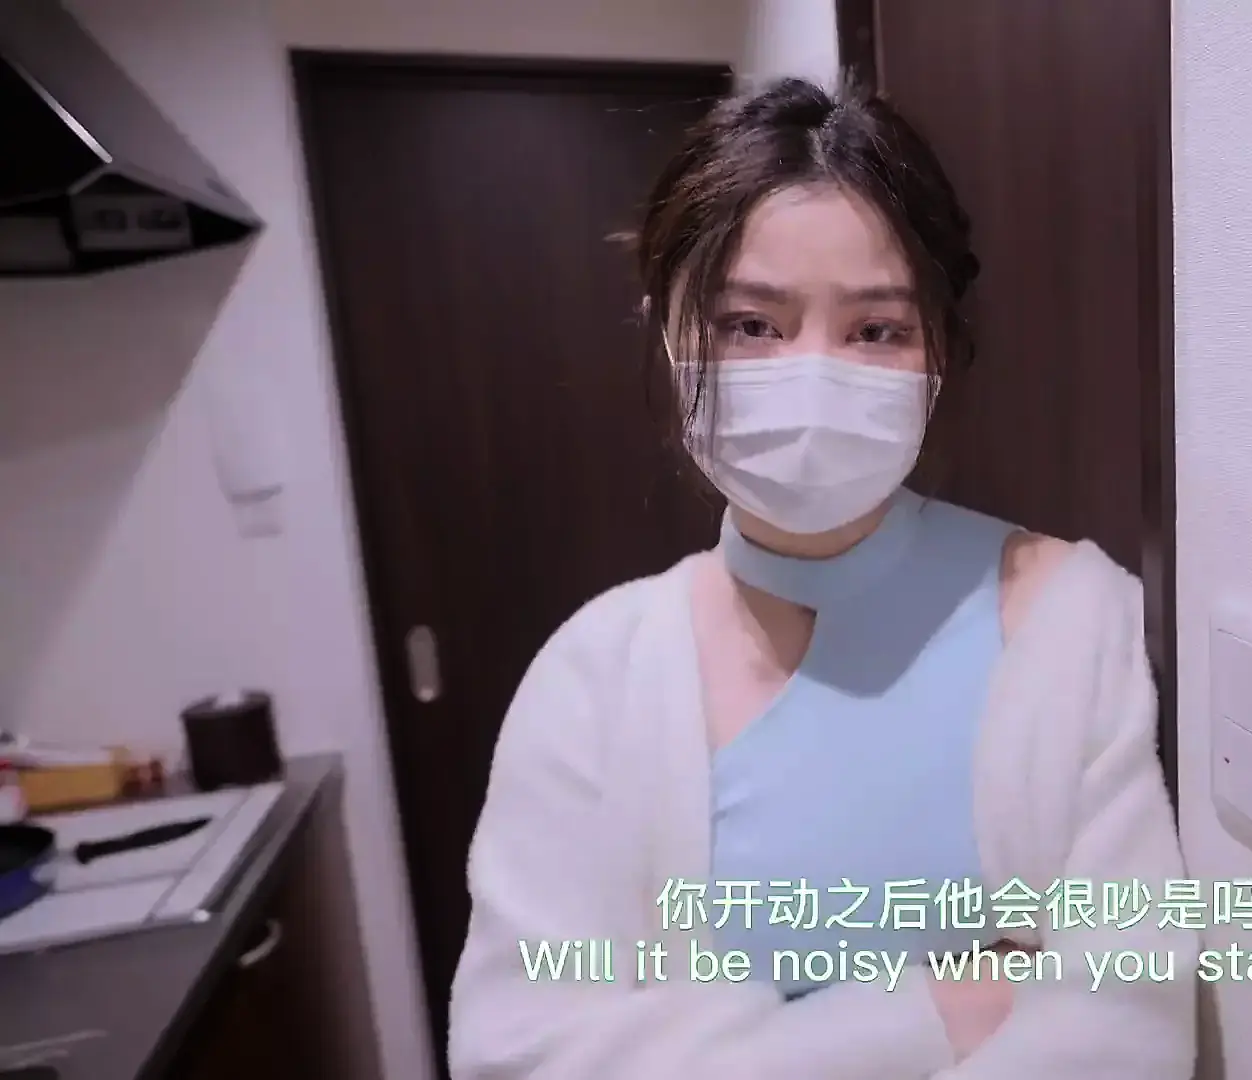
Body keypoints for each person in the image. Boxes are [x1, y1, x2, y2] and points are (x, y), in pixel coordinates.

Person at [446, 76, 1196, 1078]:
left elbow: (1132, 1032)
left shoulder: (1068, 621)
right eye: (750, 324)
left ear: (940, 351)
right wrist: (936, 1011)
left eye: (876, 330)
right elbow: (515, 1055)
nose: (810, 373)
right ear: (669, 335)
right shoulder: (596, 676)